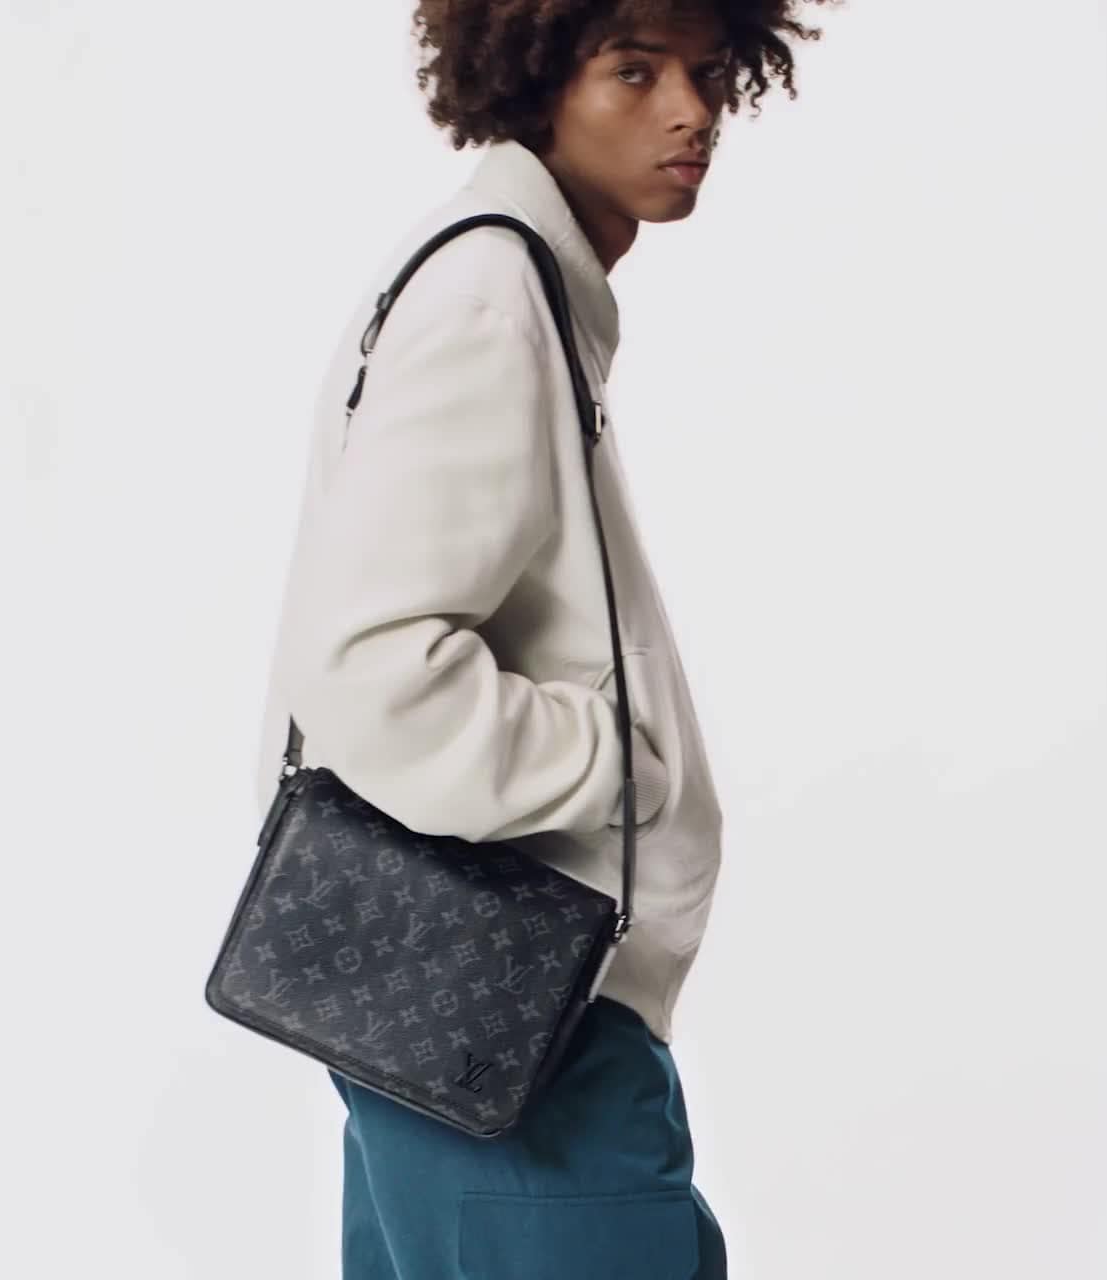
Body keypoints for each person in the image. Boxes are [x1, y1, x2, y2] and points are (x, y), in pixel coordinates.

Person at [252, 2, 833, 1274]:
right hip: (515, 1008)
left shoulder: (510, 281)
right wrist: (617, 758)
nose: (689, 111)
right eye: (633, 71)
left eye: (707, 72)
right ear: (530, 82)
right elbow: (367, 669)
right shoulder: (489, 295)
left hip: (459, 1012)